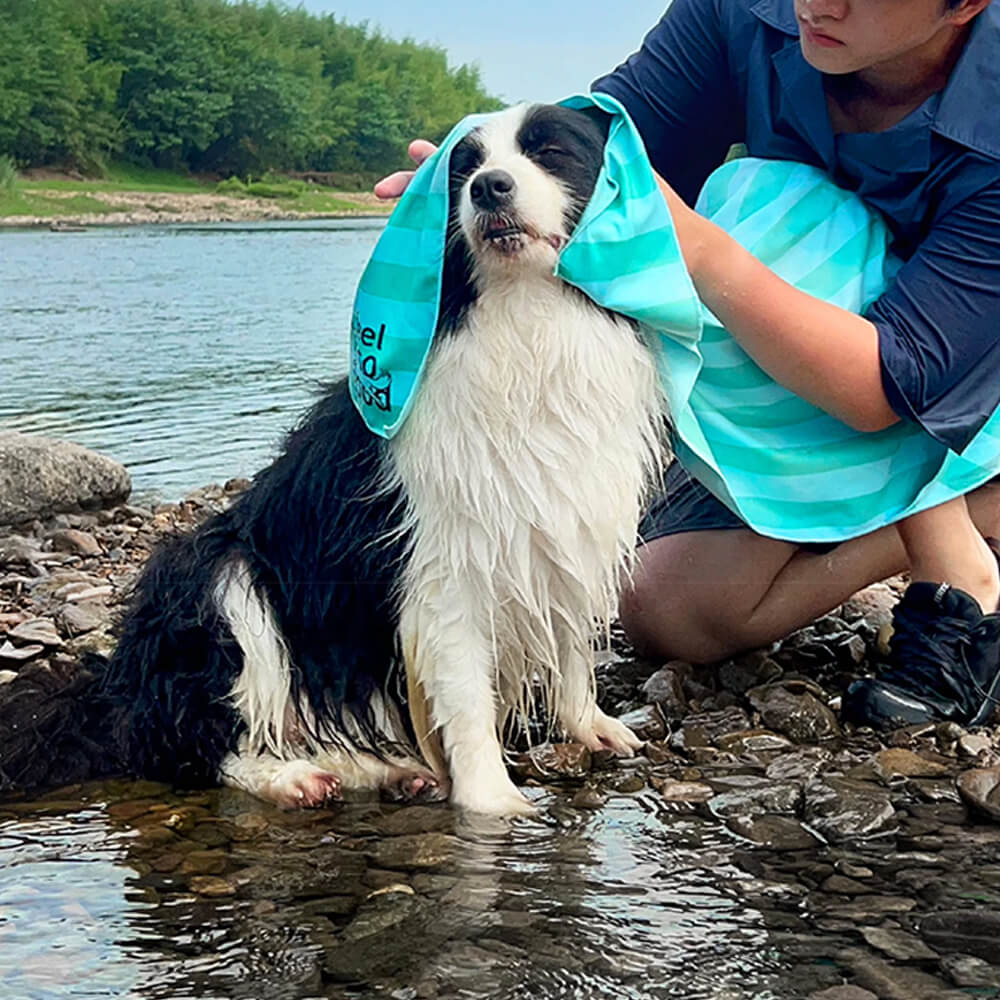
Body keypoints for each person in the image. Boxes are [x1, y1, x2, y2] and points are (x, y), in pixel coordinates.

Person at [375, 0, 1000, 731]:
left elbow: (885, 384)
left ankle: (961, 581)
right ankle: (969, 506)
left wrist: (699, 247)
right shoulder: (742, 12)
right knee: (668, 609)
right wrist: (491, 186)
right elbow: (610, 154)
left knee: (775, 203)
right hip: (810, 382)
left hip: (956, 371)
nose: (815, 5)